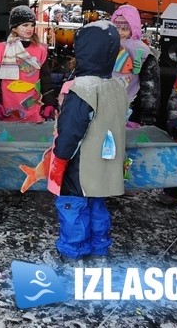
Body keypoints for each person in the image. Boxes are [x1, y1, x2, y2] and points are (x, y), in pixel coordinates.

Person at [48, 21, 128, 261]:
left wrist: (60, 156)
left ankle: (73, 252)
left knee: (73, 207)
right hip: (106, 163)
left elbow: (71, 129)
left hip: (81, 165)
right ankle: (99, 248)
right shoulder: (116, 85)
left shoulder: (82, 88)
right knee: (97, 207)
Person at [0, 5, 56, 123]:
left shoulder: (40, 50)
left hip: (32, 105)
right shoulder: (0, 50)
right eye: (25, 25)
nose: (30, 28)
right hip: (7, 104)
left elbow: (45, 79)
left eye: (32, 25)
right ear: (14, 28)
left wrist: (49, 103)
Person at [110, 4, 160, 126]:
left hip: (132, 110)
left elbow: (150, 88)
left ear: (133, 28)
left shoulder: (143, 53)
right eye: (116, 28)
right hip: (107, 107)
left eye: (125, 29)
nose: (120, 33)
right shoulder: (107, 46)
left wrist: (148, 119)